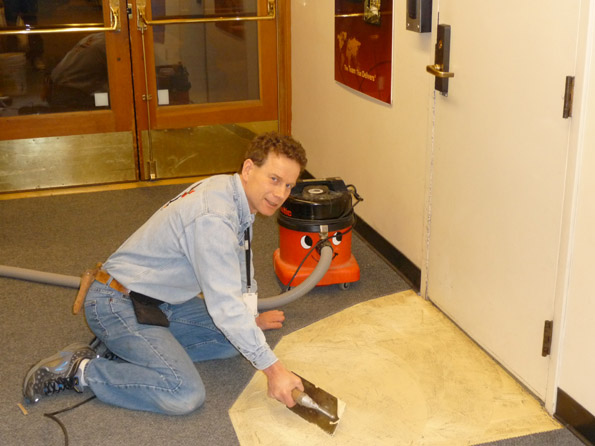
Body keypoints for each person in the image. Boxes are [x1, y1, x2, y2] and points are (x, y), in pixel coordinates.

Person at [23, 132, 308, 414]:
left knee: (233, 339)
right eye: (274, 179)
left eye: (289, 185)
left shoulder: (233, 194)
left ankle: (126, 347)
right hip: (116, 301)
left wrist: (248, 319)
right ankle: (80, 370)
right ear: (249, 169)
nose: (281, 194)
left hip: (159, 300)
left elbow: (238, 260)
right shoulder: (215, 216)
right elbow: (224, 304)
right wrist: (274, 371)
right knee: (183, 392)